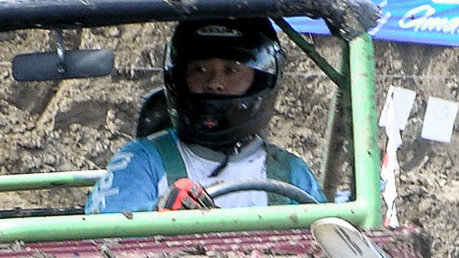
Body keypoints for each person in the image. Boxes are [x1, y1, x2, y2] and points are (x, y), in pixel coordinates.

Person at [85, 17, 325, 214]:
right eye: (200, 70)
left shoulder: (289, 172)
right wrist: (158, 217)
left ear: (260, 80)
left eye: (231, 71)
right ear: (180, 77)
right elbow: (103, 244)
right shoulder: (140, 161)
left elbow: (330, 241)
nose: (215, 83)